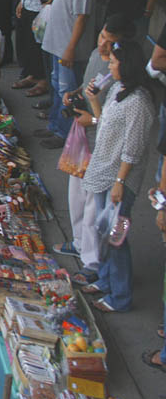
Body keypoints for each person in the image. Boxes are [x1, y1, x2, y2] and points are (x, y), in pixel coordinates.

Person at [52, 15, 135, 275]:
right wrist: (75, 94)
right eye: (101, 37)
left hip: (102, 150)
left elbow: (116, 124)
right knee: (76, 196)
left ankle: (92, 262)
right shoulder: (95, 57)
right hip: (81, 139)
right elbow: (88, 87)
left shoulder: (126, 83)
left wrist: (95, 118)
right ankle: (78, 243)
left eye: (110, 44)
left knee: (92, 207)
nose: (102, 46)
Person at [77, 41, 157, 313]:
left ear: (127, 65)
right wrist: (94, 100)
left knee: (116, 237)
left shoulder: (139, 102)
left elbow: (132, 150)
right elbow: (103, 124)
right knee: (105, 232)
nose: (109, 66)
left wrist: (120, 183)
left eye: (113, 62)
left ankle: (120, 297)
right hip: (104, 172)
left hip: (120, 182)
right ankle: (107, 280)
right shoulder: (118, 90)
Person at [40, 0, 99, 143]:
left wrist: (71, 48)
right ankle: (55, 124)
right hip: (58, 44)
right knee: (57, 86)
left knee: (67, 91)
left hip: (67, 46)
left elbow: (81, 18)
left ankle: (64, 134)